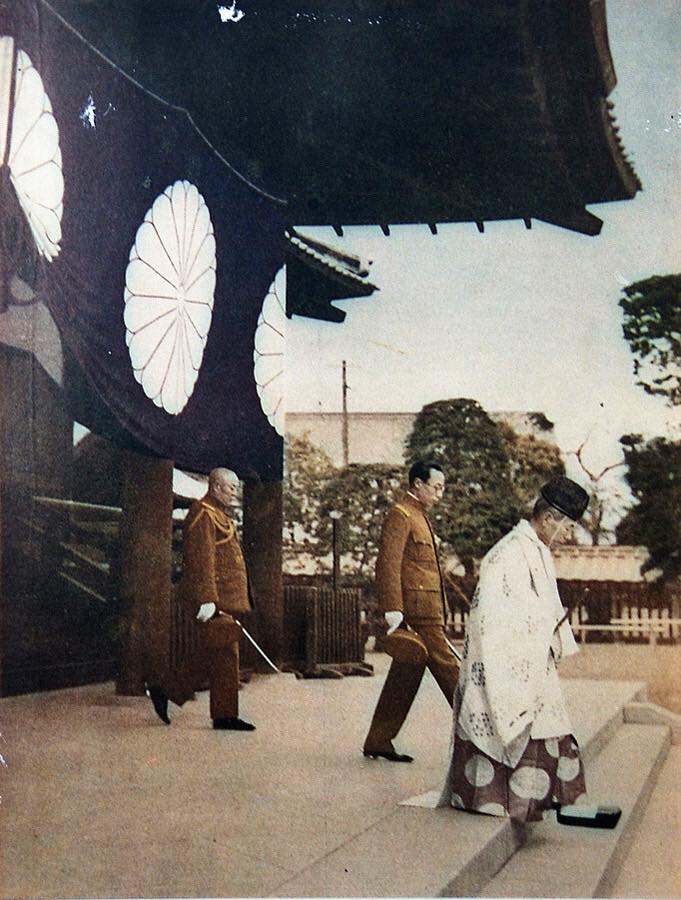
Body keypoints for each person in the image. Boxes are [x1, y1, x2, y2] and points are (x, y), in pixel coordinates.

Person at [439, 476, 590, 822]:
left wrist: (546, 637)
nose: (568, 535)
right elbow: (494, 617)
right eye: (567, 526)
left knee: (544, 720)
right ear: (549, 518)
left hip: (530, 657)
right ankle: (493, 799)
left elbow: (543, 609)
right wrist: (536, 635)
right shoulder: (506, 554)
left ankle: (527, 801)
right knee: (502, 717)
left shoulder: (538, 551)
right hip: (503, 659)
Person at [363, 460, 460, 763]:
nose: (440, 494)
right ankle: (482, 734)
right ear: (417, 484)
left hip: (426, 608)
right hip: (418, 614)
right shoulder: (401, 514)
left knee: (404, 676)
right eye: (436, 487)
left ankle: (379, 740)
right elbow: (388, 565)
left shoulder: (420, 516)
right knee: (451, 672)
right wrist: (393, 610)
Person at [147, 468, 255, 731]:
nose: (234, 492)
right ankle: (174, 692)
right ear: (216, 486)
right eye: (231, 487)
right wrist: (208, 599)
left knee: (221, 653)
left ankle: (218, 712)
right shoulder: (203, 513)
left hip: (225, 598)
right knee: (221, 649)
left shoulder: (219, 514)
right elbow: (201, 558)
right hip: (213, 599)